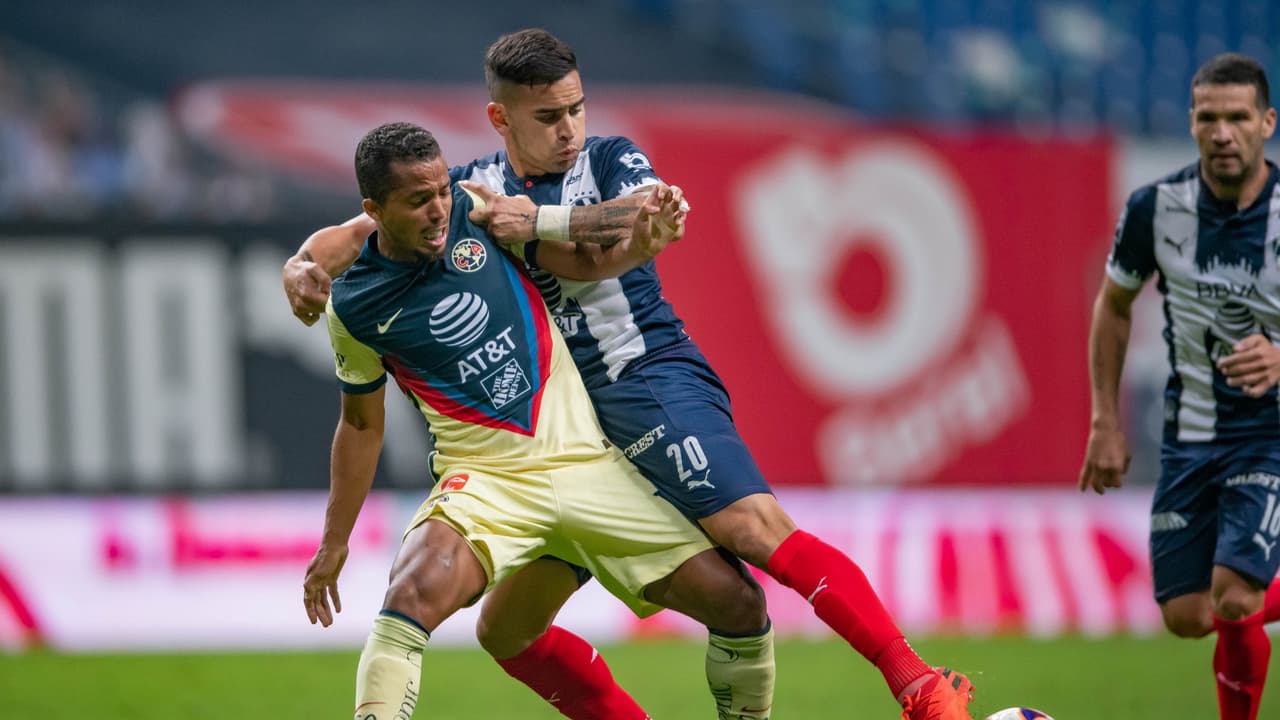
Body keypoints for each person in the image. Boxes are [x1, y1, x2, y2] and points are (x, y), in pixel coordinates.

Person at [288, 28, 975, 720]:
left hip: (643, 377)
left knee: (751, 529)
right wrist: (304, 266)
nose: (569, 130)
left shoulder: (608, 159)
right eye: (549, 117)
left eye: (576, 109)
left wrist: (541, 220)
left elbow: (642, 215)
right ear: (500, 119)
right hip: (562, 425)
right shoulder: (472, 193)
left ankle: (917, 683)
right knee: (504, 629)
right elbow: (365, 229)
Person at [305, 119, 768, 720]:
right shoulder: (355, 308)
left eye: (442, 189)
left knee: (739, 606)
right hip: (487, 482)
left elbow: (582, 258)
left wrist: (641, 244)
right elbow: (363, 426)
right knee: (409, 595)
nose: (438, 209)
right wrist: (334, 541)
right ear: (374, 209)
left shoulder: (479, 211)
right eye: (418, 201)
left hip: (589, 463)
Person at [1079, 52, 1280, 720]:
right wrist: (1105, 421)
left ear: (1267, 124)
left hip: (1269, 435)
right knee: (1188, 615)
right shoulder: (1153, 209)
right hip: (1190, 435)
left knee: (1234, 595)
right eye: (1210, 118)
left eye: (1239, 117)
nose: (1224, 132)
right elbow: (1113, 305)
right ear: (1192, 123)